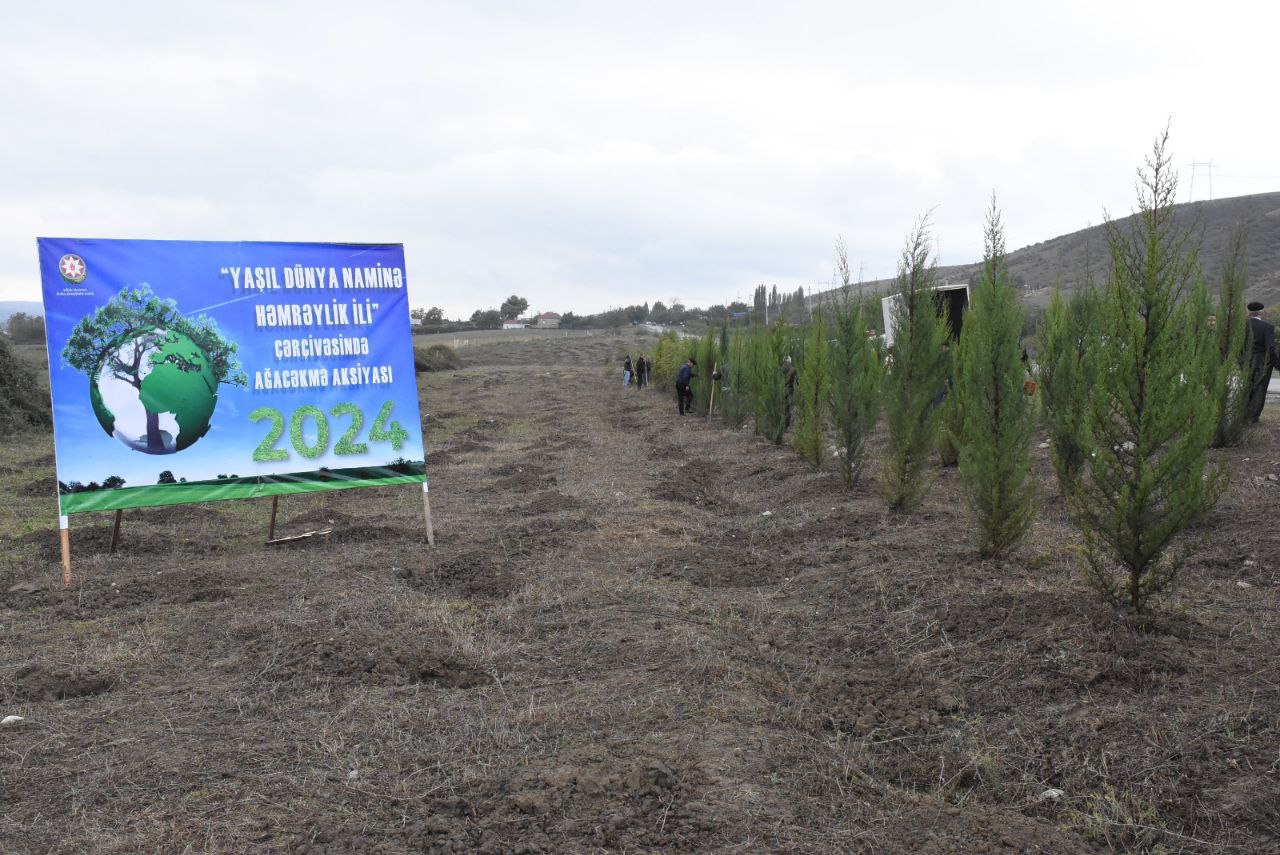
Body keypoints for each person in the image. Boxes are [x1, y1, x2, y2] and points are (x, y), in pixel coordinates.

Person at [1246, 301, 1278, 423]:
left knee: (1247, 388)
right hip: (1262, 363)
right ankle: (1253, 418)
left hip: (1245, 362)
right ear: (1261, 312)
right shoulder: (1267, 327)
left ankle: (1244, 415)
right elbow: (1270, 348)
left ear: (1249, 313)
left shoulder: (1242, 326)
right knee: (1260, 389)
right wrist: (1276, 364)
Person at [781, 355, 798, 428]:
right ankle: (786, 425)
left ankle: (780, 425)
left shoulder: (781, 369)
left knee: (781, 408)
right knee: (787, 408)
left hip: (781, 390)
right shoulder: (794, 370)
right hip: (790, 390)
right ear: (790, 361)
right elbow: (797, 382)